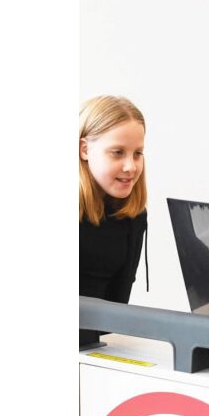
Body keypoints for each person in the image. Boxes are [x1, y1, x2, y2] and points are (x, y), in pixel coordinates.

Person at [79, 95, 148, 303]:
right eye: (117, 153)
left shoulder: (134, 216)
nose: (131, 167)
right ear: (85, 150)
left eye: (137, 153)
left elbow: (118, 307)